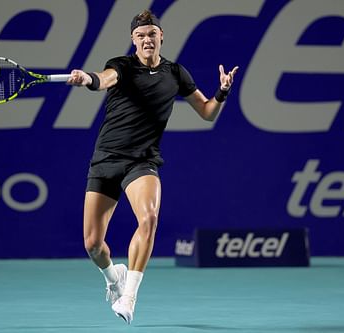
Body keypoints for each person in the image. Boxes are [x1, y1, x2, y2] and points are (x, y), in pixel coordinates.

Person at [67, 9, 238, 325]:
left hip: (142, 161)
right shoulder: (122, 66)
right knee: (92, 245)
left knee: (149, 218)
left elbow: (208, 112)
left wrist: (222, 91)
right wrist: (88, 78)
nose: (147, 39)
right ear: (133, 40)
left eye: (152, 34)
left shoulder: (175, 73)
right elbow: (103, 80)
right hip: (106, 159)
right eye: (140, 35)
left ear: (161, 37)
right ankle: (112, 276)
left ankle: (129, 297)